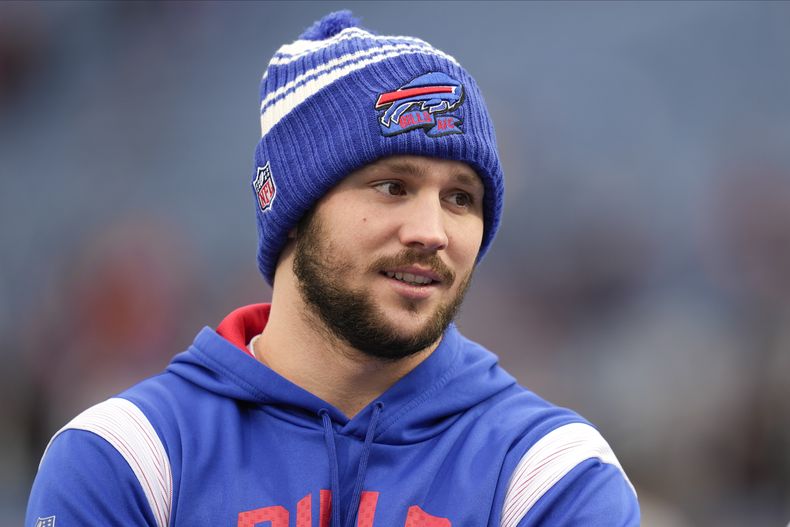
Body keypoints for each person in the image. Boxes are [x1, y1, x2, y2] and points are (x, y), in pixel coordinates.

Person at [26, 11, 639, 527]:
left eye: (461, 198)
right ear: (292, 211)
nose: (432, 232)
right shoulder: (127, 458)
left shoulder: (549, 473)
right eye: (393, 186)